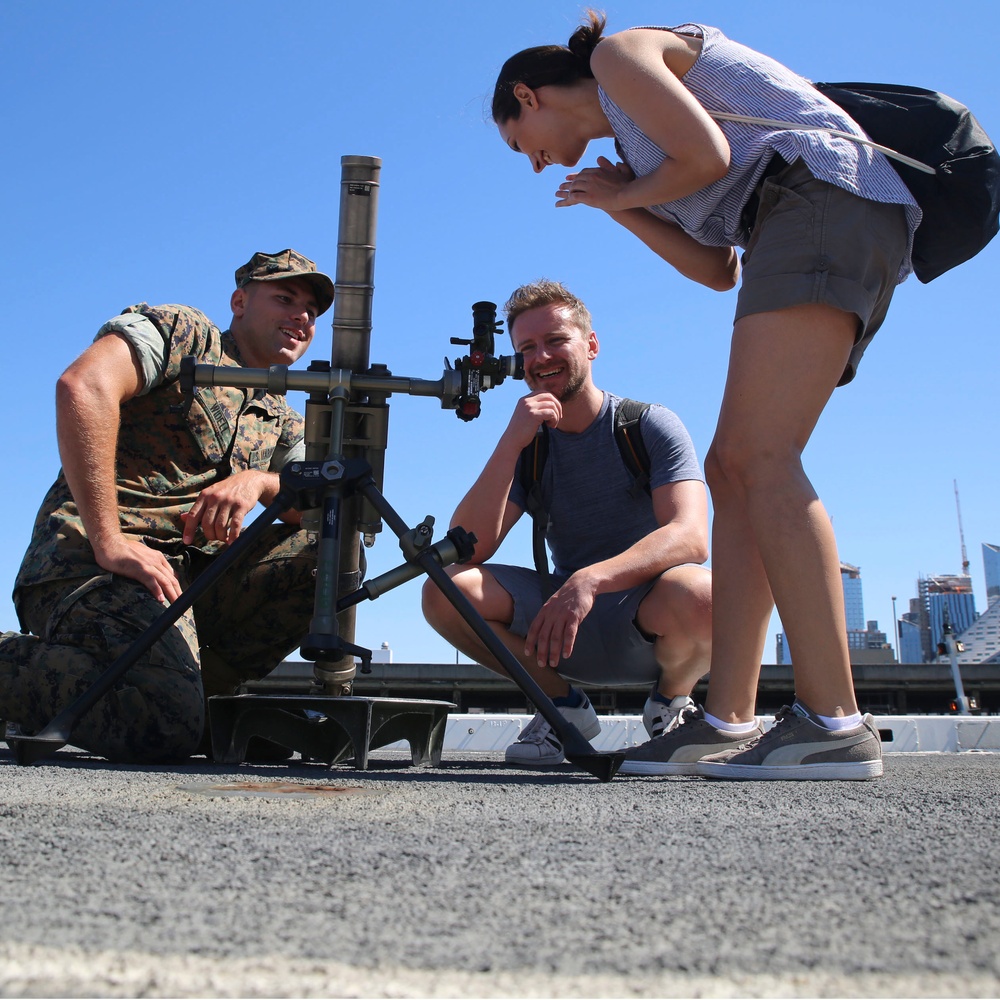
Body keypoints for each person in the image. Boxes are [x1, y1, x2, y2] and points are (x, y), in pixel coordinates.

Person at [490, 14, 918, 779]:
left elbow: (709, 155)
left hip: (821, 201)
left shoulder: (622, 57)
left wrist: (631, 190)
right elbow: (716, 267)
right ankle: (726, 719)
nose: (532, 164)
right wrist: (621, 201)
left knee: (759, 458)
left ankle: (832, 719)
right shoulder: (630, 148)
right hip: (782, 229)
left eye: (519, 144)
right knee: (733, 469)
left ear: (528, 96)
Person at [0, 249, 335, 763]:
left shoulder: (280, 415)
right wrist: (110, 542)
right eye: (285, 299)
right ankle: (172, 708)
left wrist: (259, 483)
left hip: (180, 580)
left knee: (328, 555)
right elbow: (84, 386)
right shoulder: (187, 335)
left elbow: (319, 507)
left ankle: (197, 699)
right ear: (240, 302)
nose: (302, 317)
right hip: (90, 567)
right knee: (166, 726)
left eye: (312, 311)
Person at [421, 279, 712, 766]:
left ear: (591, 345)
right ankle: (562, 707)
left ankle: (671, 704)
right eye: (527, 348)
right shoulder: (529, 444)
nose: (541, 357)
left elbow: (691, 536)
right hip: (563, 631)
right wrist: (510, 443)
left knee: (704, 592)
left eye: (556, 340)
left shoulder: (647, 424)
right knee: (445, 589)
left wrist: (591, 579)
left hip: (650, 623)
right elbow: (468, 548)